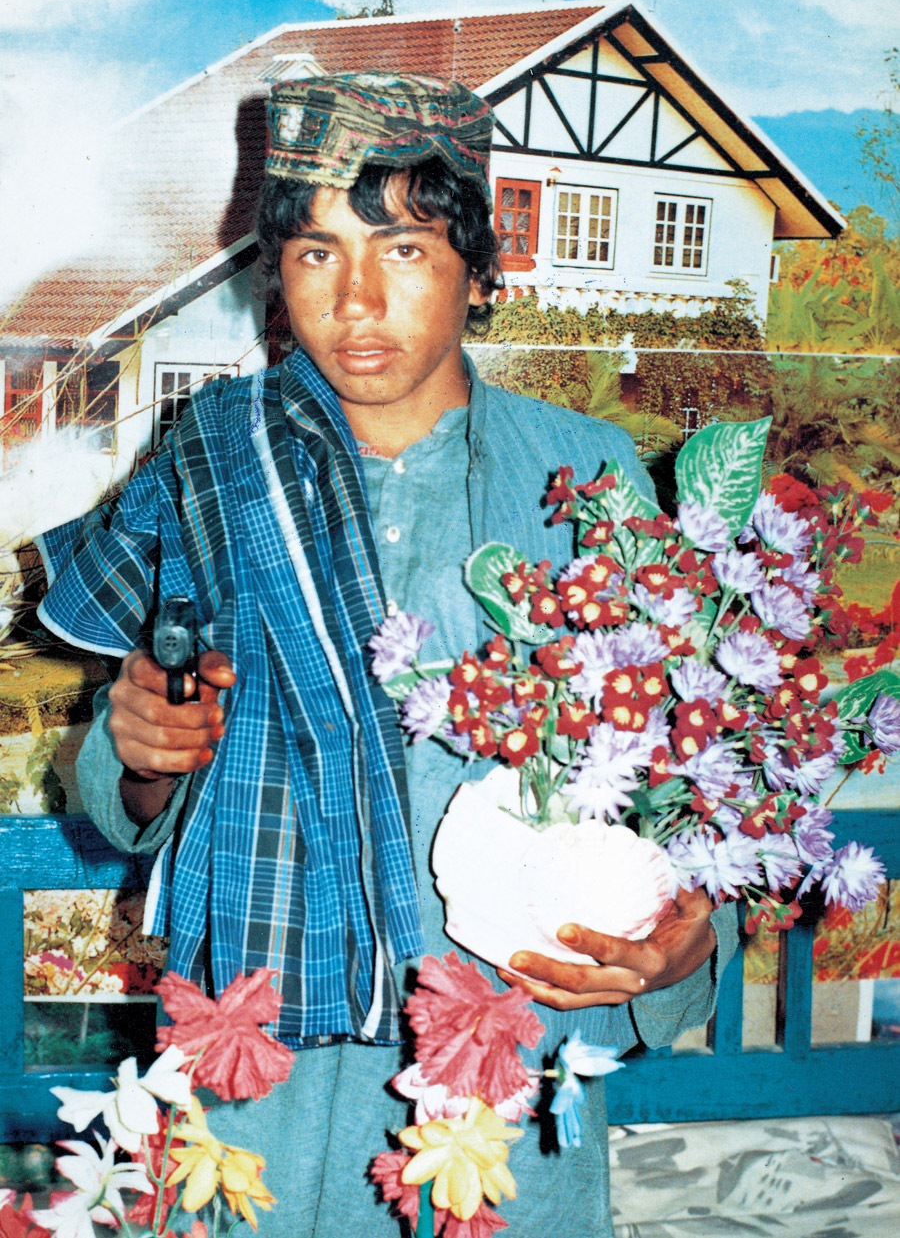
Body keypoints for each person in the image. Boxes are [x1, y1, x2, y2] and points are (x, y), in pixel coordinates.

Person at [38, 72, 737, 1237]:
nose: (356, 302)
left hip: (495, 1061)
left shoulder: (589, 479)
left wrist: (679, 937)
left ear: (477, 262)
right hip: (260, 1066)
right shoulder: (212, 465)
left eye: (403, 249)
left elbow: (684, 790)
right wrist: (143, 748)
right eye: (316, 255)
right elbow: (133, 786)